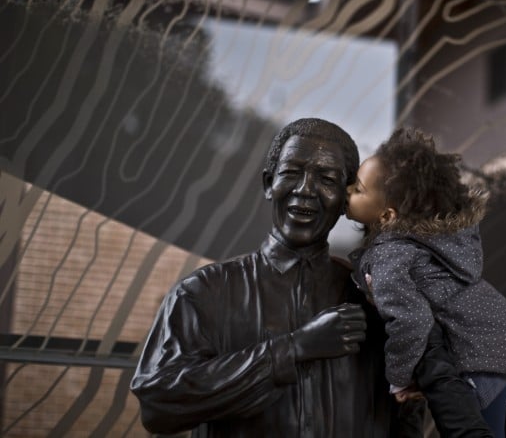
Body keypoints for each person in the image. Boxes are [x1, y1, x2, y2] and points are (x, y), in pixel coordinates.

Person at [130, 118, 397, 437]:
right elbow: (158, 405)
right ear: (269, 183)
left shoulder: (372, 295)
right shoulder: (202, 292)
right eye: (291, 173)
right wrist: (294, 348)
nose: (305, 190)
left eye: (326, 178)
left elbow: (403, 414)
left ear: (345, 199)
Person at [345, 127, 506, 438]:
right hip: (504, 324)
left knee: (485, 428)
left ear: (387, 216)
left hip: (477, 349)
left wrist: (398, 376)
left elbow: (411, 320)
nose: (347, 192)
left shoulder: (390, 255)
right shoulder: (435, 241)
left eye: (357, 189)